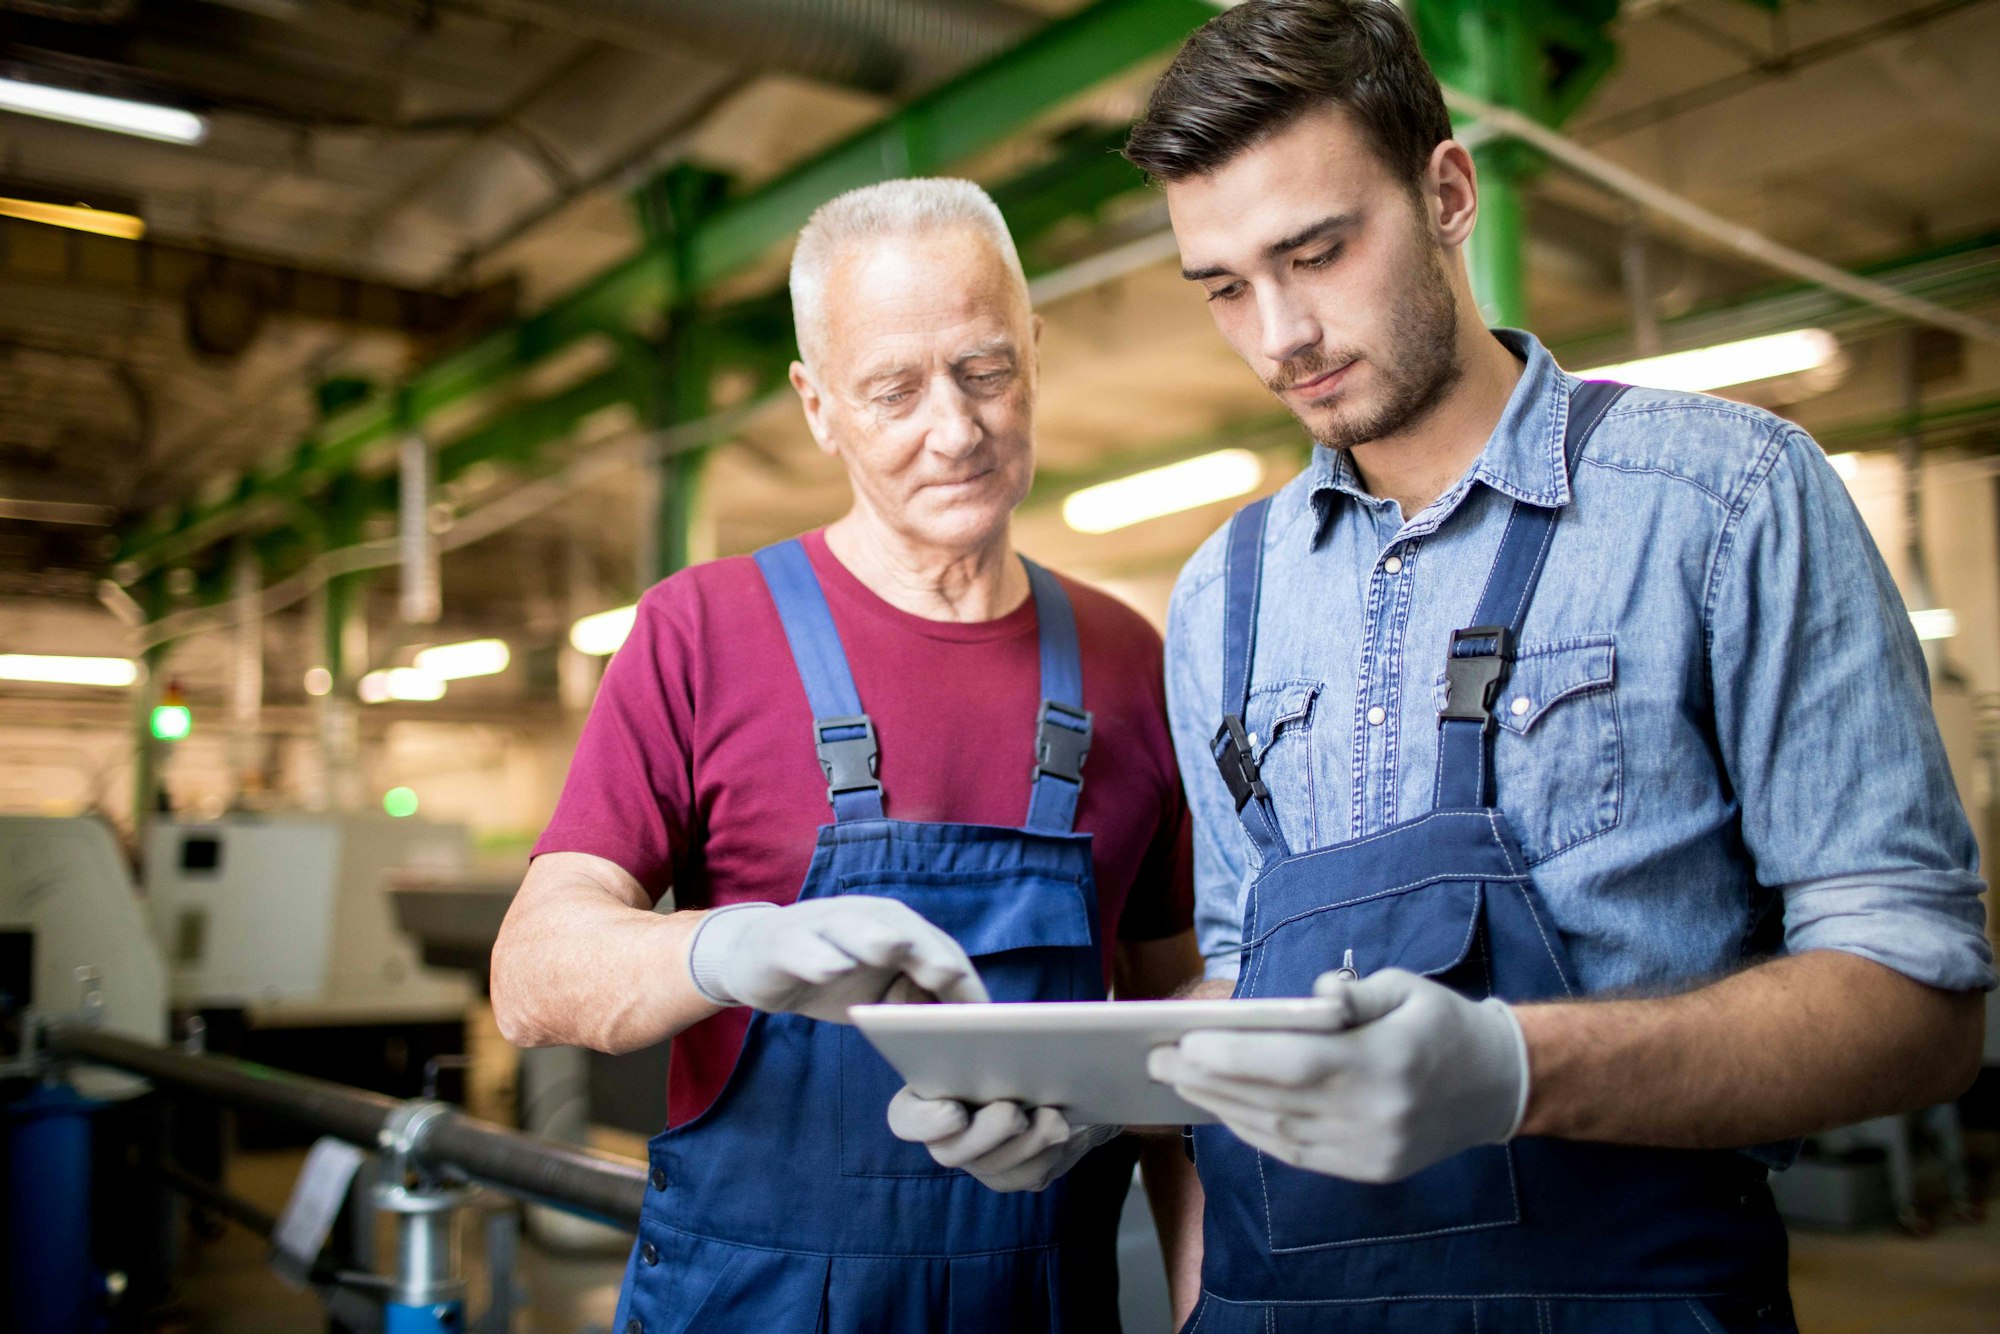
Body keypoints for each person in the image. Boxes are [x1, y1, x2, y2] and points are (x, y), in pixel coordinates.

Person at [1109, 2, 1992, 1331]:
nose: (1280, 334)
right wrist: (1091, 1093)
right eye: (1225, 287)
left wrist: (1516, 1067)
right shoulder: (1221, 595)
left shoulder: (1723, 502)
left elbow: (1918, 999)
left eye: (1318, 251)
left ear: (1448, 193)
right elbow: (1245, 972)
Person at [489, 178, 1204, 1333]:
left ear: (1033, 349)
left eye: (985, 369)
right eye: (893, 390)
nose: (955, 429)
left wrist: (1198, 1306)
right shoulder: (700, 632)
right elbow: (530, 975)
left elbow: (1182, 1034)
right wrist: (733, 946)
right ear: (816, 405)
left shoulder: (1128, 660)